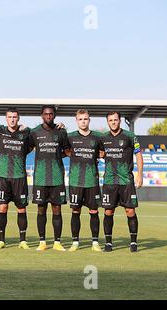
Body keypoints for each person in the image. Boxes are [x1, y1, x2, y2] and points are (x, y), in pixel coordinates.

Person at [100, 111, 143, 252]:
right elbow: (98, 153)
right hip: (109, 181)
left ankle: (133, 242)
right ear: (107, 122)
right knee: (108, 212)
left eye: (116, 120)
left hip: (126, 181)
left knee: (130, 211)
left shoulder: (130, 136)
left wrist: (140, 175)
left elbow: (138, 155)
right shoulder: (103, 138)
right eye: (110, 120)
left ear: (119, 120)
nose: (113, 122)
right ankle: (108, 242)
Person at [29, 105, 69, 251]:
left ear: (54, 115)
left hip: (57, 176)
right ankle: (42, 241)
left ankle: (57, 242)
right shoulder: (34, 132)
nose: (48, 116)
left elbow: (67, 150)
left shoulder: (61, 132)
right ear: (41, 115)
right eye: (46, 114)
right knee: (41, 209)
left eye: (51, 114)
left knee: (57, 209)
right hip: (40, 177)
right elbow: (26, 148)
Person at [65, 109, 102, 252]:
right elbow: (65, 151)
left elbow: (103, 152)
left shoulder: (97, 137)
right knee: (75, 211)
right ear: (76, 120)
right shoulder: (70, 137)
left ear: (89, 120)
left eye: (85, 119)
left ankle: (95, 243)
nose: (83, 121)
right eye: (80, 119)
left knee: (94, 212)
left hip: (92, 181)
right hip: (76, 181)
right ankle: (75, 242)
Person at [0, 108, 31, 249]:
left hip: (19, 177)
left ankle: (23, 240)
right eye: (10, 117)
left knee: (21, 209)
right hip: (3, 176)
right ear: (6, 118)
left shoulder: (25, 133)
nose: (12, 119)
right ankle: (1, 240)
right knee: (3, 208)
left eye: (15, 117)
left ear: (18, 118)